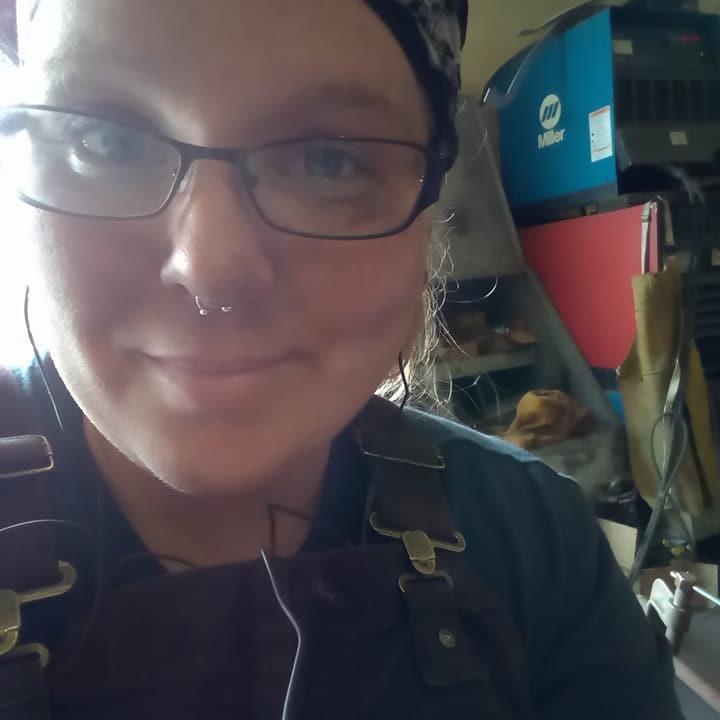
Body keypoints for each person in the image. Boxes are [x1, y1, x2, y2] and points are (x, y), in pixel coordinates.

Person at [0, 1, 684, 718]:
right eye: (106, 142)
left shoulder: (532, 540)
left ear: (428, 218)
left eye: (327, 159)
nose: (209, 266)